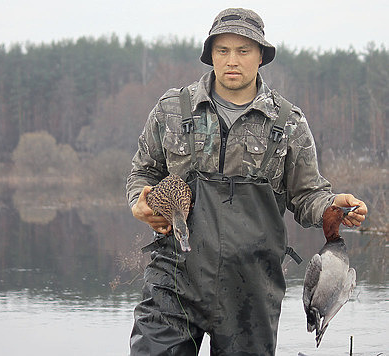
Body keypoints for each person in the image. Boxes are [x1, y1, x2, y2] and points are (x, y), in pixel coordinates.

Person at [126, 8, 367, 355]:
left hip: (252, 290)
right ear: (210, 55)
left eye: (243, 50)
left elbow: (307, 195)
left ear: (261, 56)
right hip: (174, 279)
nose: (231, 61)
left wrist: (332, 205)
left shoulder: (288, 123)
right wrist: (140, 202)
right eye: (222, 50)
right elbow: (143, 172)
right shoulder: (172, 109)